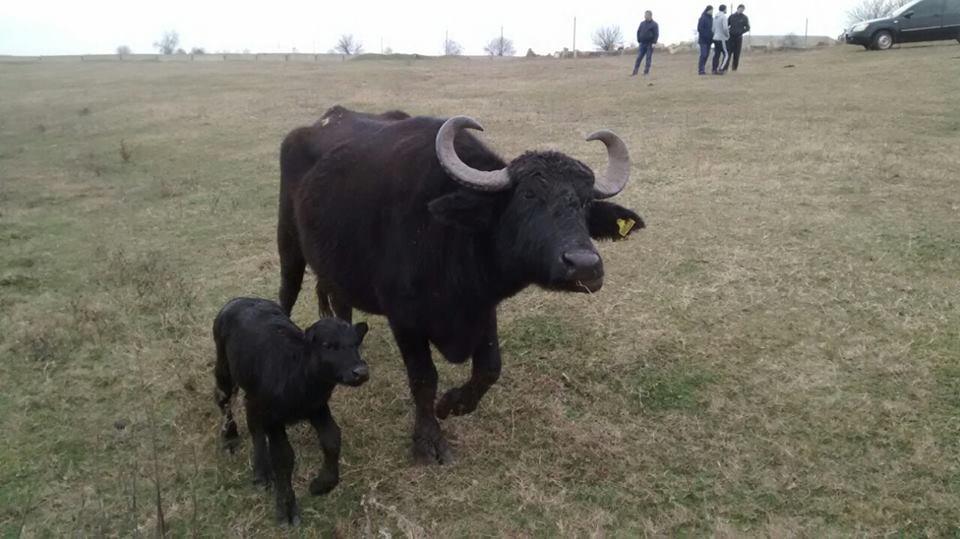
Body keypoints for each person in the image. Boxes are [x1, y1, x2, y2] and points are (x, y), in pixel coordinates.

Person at [632, 11, 659, 76]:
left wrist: (654, 42)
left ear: (650, 15)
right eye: (645, 15)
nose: (645, 16)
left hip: (650, 44)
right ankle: (635, 72)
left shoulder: (654, 24)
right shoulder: (642, 23)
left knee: (648, 58)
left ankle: (646, 72)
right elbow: (638, 32)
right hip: (642, 43)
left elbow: (656, 34)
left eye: (646, 15)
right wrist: (639, 40)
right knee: (638, 58)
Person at [728, 4, 751, 71]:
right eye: (740, 9)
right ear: (737, 8)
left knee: (737, 53)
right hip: (731, 37)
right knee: (728, 53)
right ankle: (725, 67)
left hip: (739, 37)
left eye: (742, 10)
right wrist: (729, 31)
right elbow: (726, 25)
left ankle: (734, 68)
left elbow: (748, 27)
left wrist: (741, 31)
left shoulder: (744, 18)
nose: (741, 11)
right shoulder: (732, 17)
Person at [712, 4, 730, 75]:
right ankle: (721, 68)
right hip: (722, 38)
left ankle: (714, 69)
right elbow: (725, 28)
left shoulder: (715, 17)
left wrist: (715, 33)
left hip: (715, 37)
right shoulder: (723, 17)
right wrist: (727, 35)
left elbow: (713, 29)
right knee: (726, 54)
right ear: (724, 9)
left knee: (716, 54)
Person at [697, 5, 714, 75]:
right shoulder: (702, 18)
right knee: (703, 54)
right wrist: (705, 35)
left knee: (706, 55)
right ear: (708, 10)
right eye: (711, 10)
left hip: (709, 40)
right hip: (703, 40)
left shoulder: (712, 19)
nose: (712, 12)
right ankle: (701, 70)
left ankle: (703, 68)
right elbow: (699, 29)